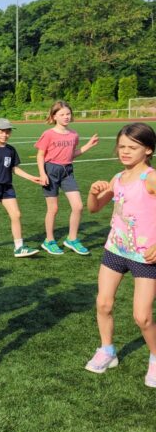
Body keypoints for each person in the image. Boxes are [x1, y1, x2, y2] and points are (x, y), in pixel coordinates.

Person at [85, 122, 156, 387]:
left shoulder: (150, 178)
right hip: (115, 249)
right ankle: (107, 350)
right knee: (103, 304)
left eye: (132, 147)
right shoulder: (117, 178)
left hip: (144, 257)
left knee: (142, 317)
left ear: (148, 150)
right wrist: (93, 193)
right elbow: (94, 208)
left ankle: (155, 357)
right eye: (121, 146)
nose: (124, 151)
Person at [35, 101, 99, 255]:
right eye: (62, 114)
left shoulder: (74, 134)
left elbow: (72, 154)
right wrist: (42, 174)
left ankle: (72, 239)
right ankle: (49, 240)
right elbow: (40, 155)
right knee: (53, 208)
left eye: (68, 114)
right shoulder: (48, 134)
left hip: (68, 171)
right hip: (51, 171)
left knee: (78, 206)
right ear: (54, 116)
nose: (66, 117)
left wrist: (88, 145)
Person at [0, 118, 41, 257]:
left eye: (7, 132)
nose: (4, 135)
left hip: (6, 187)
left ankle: (19, 247)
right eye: (1, 132)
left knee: (16, 215)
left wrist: (31, 177)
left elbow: (14, 169)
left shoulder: (10, 150)